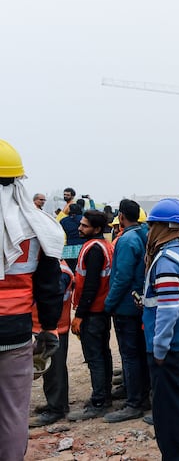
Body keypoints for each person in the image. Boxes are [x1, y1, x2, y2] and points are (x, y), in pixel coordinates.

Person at [0, 139, 64, 459]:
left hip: (16, 330)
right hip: (16, 333)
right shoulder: (37, 227)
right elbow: (50, 287)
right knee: (12, 413)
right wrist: (49, 327)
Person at [142, 198, 179, 460]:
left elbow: (168, 310)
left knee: (168, 412)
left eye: (152, 226)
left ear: (165, 227)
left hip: (170, 349)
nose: (149, 231)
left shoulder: (166, 261)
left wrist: (159, 348)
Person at [102, 199, 151, 424]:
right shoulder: (144, 234)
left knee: (129, 355)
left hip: (125, 305)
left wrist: (108, 304)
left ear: (121, 217)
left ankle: (133, 403)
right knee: (140, 352)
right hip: (140, 302)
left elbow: (121, 277)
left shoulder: (127, 239)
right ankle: (143, 396)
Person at [67, 209, 115, 422]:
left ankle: (99, 402)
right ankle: (104, 396)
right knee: (103, 354)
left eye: (85, 225)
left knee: (95, 357)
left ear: (96, 228)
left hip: (93, 312)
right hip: (101, 310)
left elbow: (91, 285)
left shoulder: (94, 249)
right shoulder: (104, 246)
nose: (79, 228)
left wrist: (79, 315)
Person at [29, 260, 74, 427]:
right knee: (50, 368)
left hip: (55, 328)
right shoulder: (51, 266)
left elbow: (52, 294)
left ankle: (57, 408)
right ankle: (55, 403)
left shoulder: (59, 271)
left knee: (55, 369)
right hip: (45, 327)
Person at [60, 203, 84, 271]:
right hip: (82, 246)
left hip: (68, 248)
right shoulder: (84, 219)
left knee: (69, 269)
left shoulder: (63, 221)